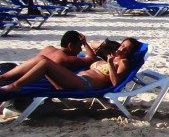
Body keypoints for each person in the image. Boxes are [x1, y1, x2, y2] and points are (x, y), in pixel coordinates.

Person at [1, 38, 142, 94]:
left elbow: (116, 83)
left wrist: (111, 64)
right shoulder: (109, 56)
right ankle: (4, 77)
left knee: (45, 63)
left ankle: (16, 85)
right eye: (122, 45)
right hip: (72, 80)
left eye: (126, 49)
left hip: (84, 84)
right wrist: (86, 43)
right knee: (42, 58)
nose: (122, 49)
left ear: (129, 54)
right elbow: (94, 45)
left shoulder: (122, 62)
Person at [0, 31, 98, 83]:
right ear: (70, 46)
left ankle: (4, 77)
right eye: (79, 46)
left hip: (13, 68)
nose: (80, 50)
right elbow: (91, 59)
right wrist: (85, 43)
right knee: (41, 60)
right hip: (21, 76)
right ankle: (4, 77)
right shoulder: (66, 59)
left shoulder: (49, 48)